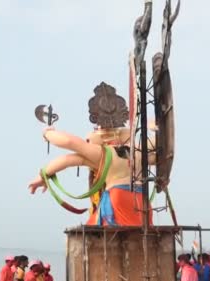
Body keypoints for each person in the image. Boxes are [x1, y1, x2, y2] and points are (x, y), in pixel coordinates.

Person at [28, 87, 156, 226]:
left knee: (98, 235)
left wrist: (48, 133)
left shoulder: (103, 153)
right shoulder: (139, 150)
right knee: (138, 236)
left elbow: (69, 146)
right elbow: (160, 154)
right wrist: (153, 128)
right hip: (142, 201)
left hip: (118, 198)